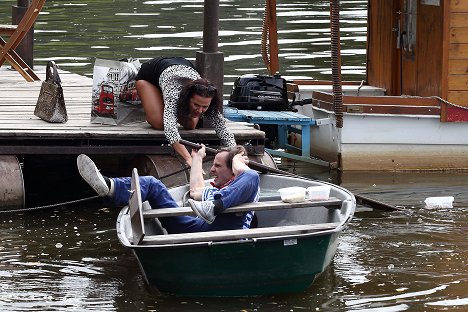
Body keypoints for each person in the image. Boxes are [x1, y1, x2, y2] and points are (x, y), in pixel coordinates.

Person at [76, 145, 259, 234]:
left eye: (218, 166)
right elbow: (195, 191)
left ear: (234, 170)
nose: (212, 170)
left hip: (225, 240)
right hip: (197, 228)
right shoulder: (216, 188)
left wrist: (238, 162)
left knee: (253, 176)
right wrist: (197, 159)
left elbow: (247, 176)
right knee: (152, 184)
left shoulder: (247, 184)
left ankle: (214, 207)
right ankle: (110, 187)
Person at [135, 57, 236, 167]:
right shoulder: (174, 95)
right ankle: (156, 94)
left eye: (204, 107)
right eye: (196, 105)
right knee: (160, 123)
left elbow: (222, 129)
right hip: (150, 77)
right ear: (187, 98)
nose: (200, 110)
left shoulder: (208, 97)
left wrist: (234, 154)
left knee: (190, 125)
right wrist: (188, 158)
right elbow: (171, 133)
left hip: (184, 66)